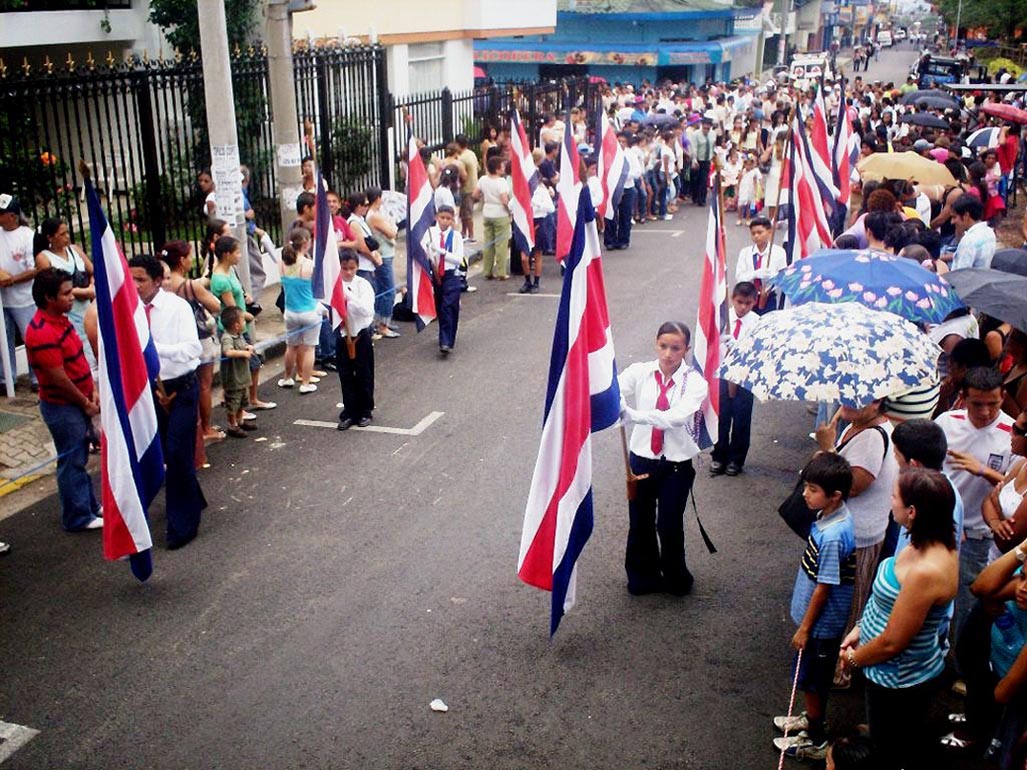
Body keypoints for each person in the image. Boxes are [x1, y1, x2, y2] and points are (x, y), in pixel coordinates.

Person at [840, 468, 959, 770]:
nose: (889, 501)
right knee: (886, 731)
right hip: (883, 665)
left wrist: (854, 660)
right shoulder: (923, 540)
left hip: (897, 678)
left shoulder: (926, 571)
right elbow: (886, 605)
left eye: (894, 496)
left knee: (888, 749)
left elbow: (893, 642)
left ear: (913, 511)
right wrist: (860, 627)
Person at [772, 452, 856, 761]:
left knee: (812, 679)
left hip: (821, 626)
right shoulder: (828, 517)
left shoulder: (834, 534)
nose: (805, 494)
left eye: (812, 490)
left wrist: (805, 628)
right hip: (816, 622)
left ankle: (816, 738)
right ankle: (810, 718)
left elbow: (825, 586)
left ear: (834, 496)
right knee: (808, 675)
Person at [617, 321, 708, 596]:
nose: (668, 353)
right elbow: (613, 390)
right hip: (642, 459)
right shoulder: (641, 371)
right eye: (663, 346)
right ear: (656, 344)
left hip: (676, 465)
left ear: (686, 350)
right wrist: (618, 405)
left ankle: (675, 575)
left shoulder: (694, 381)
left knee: (669, 522)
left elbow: (678, 417)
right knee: (640, 520)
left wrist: (633, 415)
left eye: (676, 348)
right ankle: (642, 576)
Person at [815, 399, 898, 683]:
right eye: (845, 395)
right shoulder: (855, 425)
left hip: (859, 537)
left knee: (850, 603)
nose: (848, 401)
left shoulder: (873, 438)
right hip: (843, 531)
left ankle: (843, 669)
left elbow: (852, 486)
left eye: (860, 398)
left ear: (878, 403)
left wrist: (826, 448)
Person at [128, 255, 206, 549]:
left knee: (176, 450)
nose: (135, 286)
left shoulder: (177, 307)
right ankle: (192, 494)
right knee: (166, 451)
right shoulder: (130, 310)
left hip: (181, 387)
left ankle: (182, 523)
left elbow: (192, 349)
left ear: (157, 280)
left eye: (141, 280)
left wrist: (153, 349)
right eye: (131, 279)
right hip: (150, 390)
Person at [937, 366, 1017, 648]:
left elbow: (1015, 486)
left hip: (978, 534)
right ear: (963, 398)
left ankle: (962, 663)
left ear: (1003, 396)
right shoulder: (948, 422)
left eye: (993, 404)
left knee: (968, 598)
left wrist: (982, 470)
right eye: (977, 404)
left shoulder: (1012, 433)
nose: (985, 412)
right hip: (942, 527)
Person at [24, 268, 101, 531]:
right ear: (48, 298)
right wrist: (85, 402)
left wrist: (92, 390)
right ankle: (78, 516)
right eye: (66, 294)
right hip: (63, 406)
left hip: (78, 400)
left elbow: (77, 363)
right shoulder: (42, 332)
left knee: (79, 457)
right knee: (72, 460)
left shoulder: (61, 320)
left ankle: (88, 505)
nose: (72, 298)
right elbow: (59, 378)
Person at [950, 525, 1027, 765]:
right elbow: (981, 587)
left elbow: (1006, 690)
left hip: (1015, 692)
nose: (1023, 588)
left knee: (1007, 747)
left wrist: (987, 705)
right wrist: (1023, 549)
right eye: (1023, 577)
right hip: (1000, 668)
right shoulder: (1022, 589)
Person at [159, 241, 223, 454]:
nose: (191, 260)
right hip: (199, 339)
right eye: (189, 256)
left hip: (173, 342)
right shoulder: (190, 286)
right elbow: (216, 306)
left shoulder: (164, 288)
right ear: (181, 260)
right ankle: (205, 427)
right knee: (204, 385)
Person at [209, 235, 276, 414]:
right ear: (226, 254)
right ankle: (241, 405)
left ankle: (246, 401)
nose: (240, 255)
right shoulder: (221, 279)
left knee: (248, 366)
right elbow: (232, 309)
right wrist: (249, 315)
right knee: (245, 368)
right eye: (237, 252)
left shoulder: (228, 271)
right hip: (233, 330)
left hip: (240, 328)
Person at [711, 281, 759, 476]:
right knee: (721, 417)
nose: (743, 307)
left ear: (754, 302)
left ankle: (736, 459)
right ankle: (719, 455)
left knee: (741, 419)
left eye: (748, 303)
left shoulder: (757, 322)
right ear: (732, 299)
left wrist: (737, 345)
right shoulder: (723, 319)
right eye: (739, 302)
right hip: (722, 375)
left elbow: (757, 351)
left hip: (744, 377)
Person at [34, 217, 94, 369]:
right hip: (67, 312)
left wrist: (92, 286)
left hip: (86, 310)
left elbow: (92, 270)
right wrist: (83, 291)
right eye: (62, 234)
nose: (67, 237)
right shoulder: (44, 258)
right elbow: (49, 286)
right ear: (50, 237)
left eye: (67, 232)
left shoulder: (75, 250)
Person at [277, 229, 323, 394]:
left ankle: (287, 377)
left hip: (290, 311)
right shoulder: (309, 265)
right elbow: (319, 286)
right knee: (309, 348)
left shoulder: (282, 262)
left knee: (291, 346)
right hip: (309, 311)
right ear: (306, 243)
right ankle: (305, 381)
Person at [0, 194, 38, 386]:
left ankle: (36, 378)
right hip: (2, 299)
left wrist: (12, 280)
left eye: (2, 214)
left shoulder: (27, 236)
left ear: (13, 216)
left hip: (24, 298)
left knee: (30, 337)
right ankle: (7, 378)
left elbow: (35, 268)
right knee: (3, 340)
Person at [335, 250, 375, 431]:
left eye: (352, 268)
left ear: (357, 267)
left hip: (360, 334)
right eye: (344, 268)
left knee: (364, 373)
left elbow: (366, 310)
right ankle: (350, 411)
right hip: (343, 335)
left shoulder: (363, 285)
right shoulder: (335, 286)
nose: (348, 272)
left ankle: (365, 410)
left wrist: (348, 297)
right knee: (345, 375)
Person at [423, 204, 464, 356]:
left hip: (451, 275)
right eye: (442, 218)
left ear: (452, 220)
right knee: (440, 306)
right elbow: (425, 254)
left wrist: (442, 252)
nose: (445, 221)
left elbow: (459, 259)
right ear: (436, 217)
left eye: (448, 219)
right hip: (435, 274)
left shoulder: (456, 236)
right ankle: (444, 333)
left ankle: (446, 342)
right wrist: (429, 252)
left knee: (449, 306)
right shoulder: (430, 233)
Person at [366, 187, 400, 339]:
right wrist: (393, 225)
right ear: (378, 198)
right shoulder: (375, 216)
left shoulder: (375, 215)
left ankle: (382, 320)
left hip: (385, 254)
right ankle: (383, 324)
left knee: (382, 289)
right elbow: (391, 233)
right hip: (383, 254)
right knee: (388, 290)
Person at [735, 217, 787, 313]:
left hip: (768, 296)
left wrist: (773, 277)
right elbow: (739, 278)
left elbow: (783, 277)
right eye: (753, 233)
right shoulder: (745, 252)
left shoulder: (779, 252)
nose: (756, 236)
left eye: (760, 232)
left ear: (769, 232)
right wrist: (755, 274)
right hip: (748, 297)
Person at [219, 306, 256, 439]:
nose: (244, 323)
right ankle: (232, 425)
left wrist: (248, 347)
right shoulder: (227, 338)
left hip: (243, 377)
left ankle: (240, 421)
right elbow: (228, 351)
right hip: (233, 378)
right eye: (243, 321)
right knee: (233, 402)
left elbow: (243, 345)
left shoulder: (239, 336)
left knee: (242, 401)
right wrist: (244, 353)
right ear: (236, 325)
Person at [474, 155, 512, 280]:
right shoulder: (502, 182)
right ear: (497, 169)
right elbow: (504, 200)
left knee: (488, 242)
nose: (503, 168)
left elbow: (475, 194)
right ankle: (501, 271)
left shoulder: (483, 179)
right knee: (501, 243)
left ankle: (487, 270)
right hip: (500, 213)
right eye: (501, 166)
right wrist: (509, 211)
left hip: (487, 211)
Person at [950, 194, 996, 270]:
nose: (952, 222)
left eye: (954, 217)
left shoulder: (969, 241)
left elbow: (960, 274)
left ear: (966, 216)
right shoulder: (989, 232)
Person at [455, 134, 480, 241]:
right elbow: (478, 168)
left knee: (467, 213)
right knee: (464, 212)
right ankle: (464, 232)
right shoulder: (471, 154)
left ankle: (471, 235)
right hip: (474, 185)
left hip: (466, 188)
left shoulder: (462, 159)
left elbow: (463, 176)